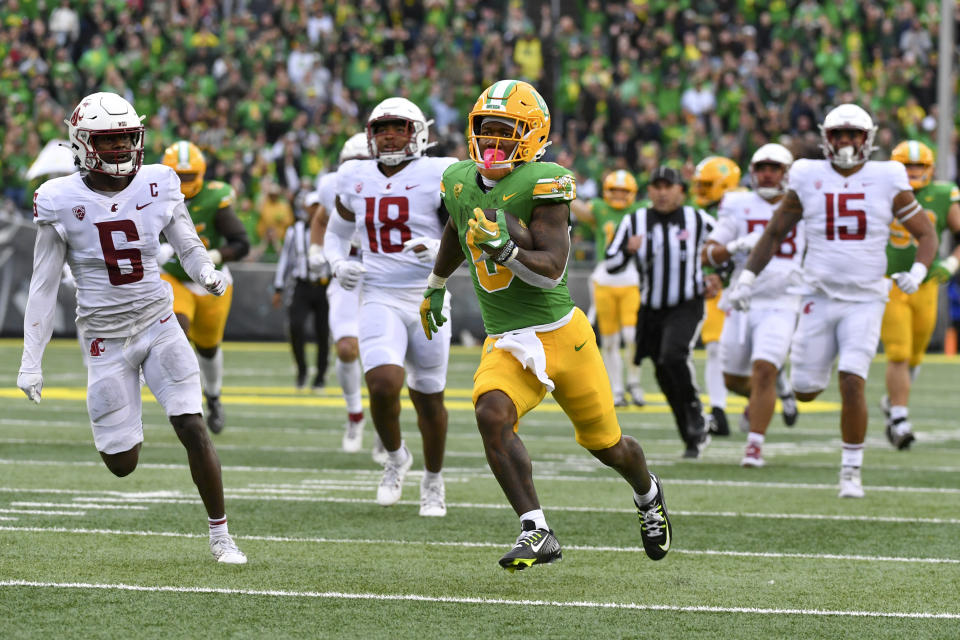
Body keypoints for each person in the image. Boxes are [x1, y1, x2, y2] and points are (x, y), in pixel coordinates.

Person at [422, 79, 672, 571]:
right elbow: (457, 222)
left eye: (506, 131)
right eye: (486, 131)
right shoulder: (457, 179)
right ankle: (536, 529)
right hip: (509, 339)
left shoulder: (546, 181)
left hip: (563, 334)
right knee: (491, 413)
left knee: (609, 447)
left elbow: (554, 267)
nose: (493, 143)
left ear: (533, 134)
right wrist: (435, 281)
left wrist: (508, 250)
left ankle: (648, 494)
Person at [17, 92, 246, 563]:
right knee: (122, 464)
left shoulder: (159, 182)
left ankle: (221, 535)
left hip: (159, 321)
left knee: (191, 424)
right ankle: (131, 404)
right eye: (109, 140)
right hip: (104, 338)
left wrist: (204, 271)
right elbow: (42, 287)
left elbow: (186, 242)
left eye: (127, 137)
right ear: (82, 144)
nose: (122, 148)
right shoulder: (59, 199)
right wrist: (30, 361)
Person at [727, 104, 938, 497]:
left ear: (867, 138)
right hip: (818, 297)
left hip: (866, 299)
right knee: (808, 389)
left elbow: (926, 233)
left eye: (852, 134)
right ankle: (791, 390)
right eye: (838, 134)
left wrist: (921, 271)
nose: (844, 141)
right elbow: (775, 233)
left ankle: (851, 471)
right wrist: (748, 279)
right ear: (826, 137)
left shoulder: (888, 176)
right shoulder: (808, 175)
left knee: (853, 380)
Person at [324, 98, 456, 517]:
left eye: (398, 128)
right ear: (369, 135)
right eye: (382, 129)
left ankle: (433, 479)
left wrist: (438, 248)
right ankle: (396, 458)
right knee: (382, 384)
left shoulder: (440, 173)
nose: (389, 136)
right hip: (378, 292)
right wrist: (338, 261)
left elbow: (470, 233)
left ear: (418, 132)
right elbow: (335, 232)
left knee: (429, 396)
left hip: (428, 293)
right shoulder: (354, 175)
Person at [701, 143, 804, 467]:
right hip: (743, 301)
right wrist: (733, 246)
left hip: (783, 300)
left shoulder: (805, 204)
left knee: (763, 370)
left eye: (774, 168)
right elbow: (708, 253)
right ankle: (777, 393)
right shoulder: (737, 203)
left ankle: (754, 446)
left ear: (787, 173)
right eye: (762, 168)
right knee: (732, 378)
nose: (768, 174)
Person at [606, 166, 715, 459]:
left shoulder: (698, 219)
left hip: (686, 302)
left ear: (681, 190)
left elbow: (725, 249)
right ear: (649, 190)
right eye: (657, 186)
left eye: (669, 186)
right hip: (651, 308)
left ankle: (694, 411)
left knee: (673, 355)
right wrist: (629, 251)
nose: (662, 192)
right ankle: (690, 434)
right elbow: (611, 262)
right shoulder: (635, 220)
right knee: (662, 370)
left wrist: (719, 275)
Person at [158, 140, 250, 434]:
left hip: (211, 281)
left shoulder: (215, 198)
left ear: (201, 173)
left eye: (189, 176)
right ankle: (184, 400)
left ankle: (213, 397)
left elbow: (241, 243)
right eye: (178, 176)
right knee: (177, 329)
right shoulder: (152, 195)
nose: (184, 184)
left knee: (208, 348)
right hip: (173, 277)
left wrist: (215, 255)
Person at [880, 140, 960, 448]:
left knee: (915, 356)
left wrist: (951, 264)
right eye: (906, 166)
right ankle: (899, 418)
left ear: (931, 169)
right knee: (899, 352)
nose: (913, 172)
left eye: (919, 166)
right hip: (889, 283)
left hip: (924, 285)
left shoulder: (942, 194)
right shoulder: (879, 190)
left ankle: (893, 402)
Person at [309, 132, 377, 457]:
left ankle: (385, 423)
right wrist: (316, 249)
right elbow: (321, 219)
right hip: (347, 267)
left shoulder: (395, 182)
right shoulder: (332, 185)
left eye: (364, 163)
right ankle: (355, 414)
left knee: (387, 356)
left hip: (385, 270)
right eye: (352, 163)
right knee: (348, 348)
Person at [570, 170, 645, 408]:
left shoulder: (641, 211)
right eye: (616, 190)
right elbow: (578, 209)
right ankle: (617, 389)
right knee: (610, 340)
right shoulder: (600, 208)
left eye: (625, 191)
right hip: (604, 279)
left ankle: (634, 382)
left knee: (632, 336)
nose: (620, 195)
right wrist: (564, 188)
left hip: (631, 276)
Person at [691, 156, 741, 436]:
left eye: (707, 185)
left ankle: (781, 393)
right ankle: (718, 410)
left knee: (753, 352)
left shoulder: (741, 208)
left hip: (744, 288)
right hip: (714, 290)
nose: (700, 190)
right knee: (714, 349)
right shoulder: (700, 214)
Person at [272, 190, 329, 394]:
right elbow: (286, 260)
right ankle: (302, 370)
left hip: (325, 285)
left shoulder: (331, 227)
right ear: (305, 207)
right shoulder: (294, 230)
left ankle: (321, 376)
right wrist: (278, 287)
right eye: (311, 206)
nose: (314, 210)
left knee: (323, 333)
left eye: (317, 206)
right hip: (302, 285)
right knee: (295, 326)